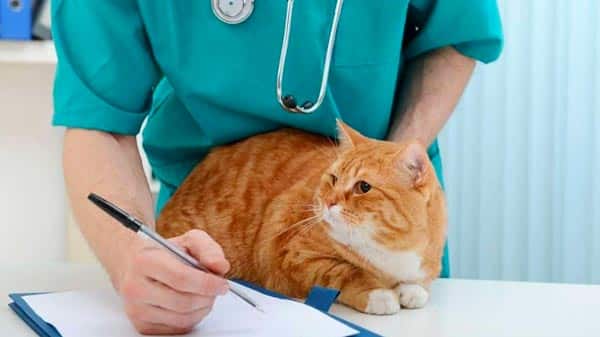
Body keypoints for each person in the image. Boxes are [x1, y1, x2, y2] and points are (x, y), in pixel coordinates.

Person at [53, 0, 503, 334]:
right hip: (213, 225)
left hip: (379, 212)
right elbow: (98, 119)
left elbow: (455, 32)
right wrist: (131, 255)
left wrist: (395, 162)